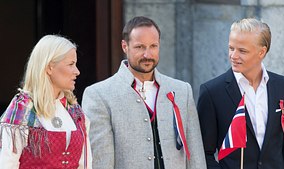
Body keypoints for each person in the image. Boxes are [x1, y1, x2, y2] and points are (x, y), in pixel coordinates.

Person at [82, 16, 206, 169]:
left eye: (153, 46)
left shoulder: (182, 91)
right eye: (140, 47)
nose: (147, 54)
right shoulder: (98, 95)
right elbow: (102, 162)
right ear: (124, 46)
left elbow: (195, 156)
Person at [197, 18, 284, 169]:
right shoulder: (211, 92)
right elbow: (202, 153)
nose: (234, 56)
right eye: (231, 48)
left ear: (261, 52)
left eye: (242, 51)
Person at [0, 35, 92, 169]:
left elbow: (85, 164)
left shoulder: (75, 111)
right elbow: (7, 164)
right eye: (71, 64)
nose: (77, 71)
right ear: (49, 68)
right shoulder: (22, 109)